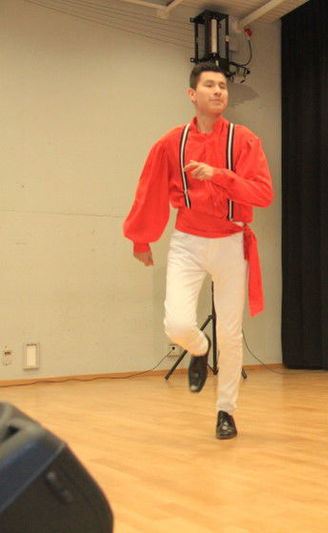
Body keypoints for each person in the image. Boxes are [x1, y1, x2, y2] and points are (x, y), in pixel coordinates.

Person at [123, 63, 273, 439]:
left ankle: (226, 411)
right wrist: (141, 237)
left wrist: (219, 175)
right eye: (209, 85)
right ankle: (199, 348)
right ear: (193, 94)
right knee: (177, 325)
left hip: (231, 241)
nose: (218, 91)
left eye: (223, 85)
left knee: (231, 333)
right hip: (187, 242)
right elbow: (149, 188)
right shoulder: (171, 142)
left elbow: (263, 194)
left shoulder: (243, 140)